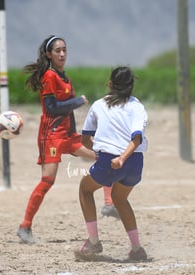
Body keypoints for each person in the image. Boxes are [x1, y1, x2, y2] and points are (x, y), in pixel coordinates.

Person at [16, 35, 115, 244]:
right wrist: (77, 101)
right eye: (58, 50)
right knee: (48, 180)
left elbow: (66, 111)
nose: (62, 54)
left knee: (104, 157)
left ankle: (108, 203)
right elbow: (51, 108)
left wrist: (77, 136)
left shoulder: (65, 78)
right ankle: (25, 226)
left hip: (67, 135)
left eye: (64, 50)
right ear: (49, 54)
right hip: (51, 136)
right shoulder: (49, 76)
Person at [74, 66, 149, 261]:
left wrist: (110, 156)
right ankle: (136, 248)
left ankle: (93, 241)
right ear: (131, 86)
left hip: (113, 160)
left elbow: (85, 139)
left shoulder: (99, 105)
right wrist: (124, 158)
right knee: (120, 198)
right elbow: (136, 138)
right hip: (136, 162)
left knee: (85, 188)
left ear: (110, 84)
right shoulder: (137, 106)